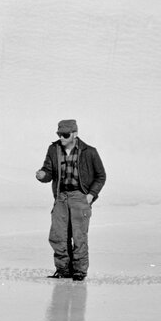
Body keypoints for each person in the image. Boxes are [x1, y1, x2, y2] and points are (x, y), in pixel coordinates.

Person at [35, 119, 106, 280]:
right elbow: (48, 171)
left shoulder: (89, 151)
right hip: (61, 198)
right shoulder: (53, 149)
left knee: (79, 236)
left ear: (75, 134)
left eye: (65, 135)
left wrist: (91, 195)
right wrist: (43, 175)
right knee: (58, 235)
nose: (61, 137)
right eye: (59, 134)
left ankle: (79, 271)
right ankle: (63, 270)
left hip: (79, 197)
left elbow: (101, 176)